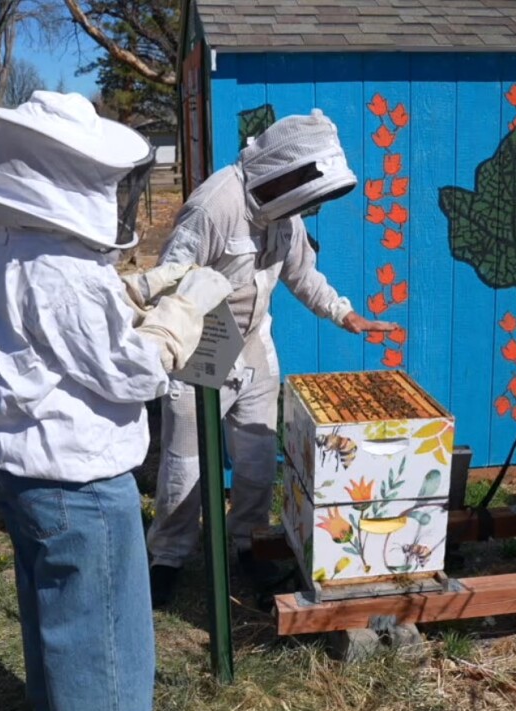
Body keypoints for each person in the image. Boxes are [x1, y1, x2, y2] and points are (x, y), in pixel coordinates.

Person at [0, 91, 232, 711]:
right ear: (69, 177)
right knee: (107, 660)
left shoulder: (8, 249)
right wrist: (177, 316)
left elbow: (59, 335)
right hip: (78, 487)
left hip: (25, 475)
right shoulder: (63, 271)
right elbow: (131, 373)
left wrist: (141, 289)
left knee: (60, 640)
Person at [146, 109, 397, 607]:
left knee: (259, 459)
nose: (316, 207)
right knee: (187, 465)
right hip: (203, 344)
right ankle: (167, 557)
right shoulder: (214, 206)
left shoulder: (288, 214)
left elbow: (302, 273)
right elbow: (169, 279)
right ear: (285, 174)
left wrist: (346, 315)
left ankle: (250, 545)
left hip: (256, 343)